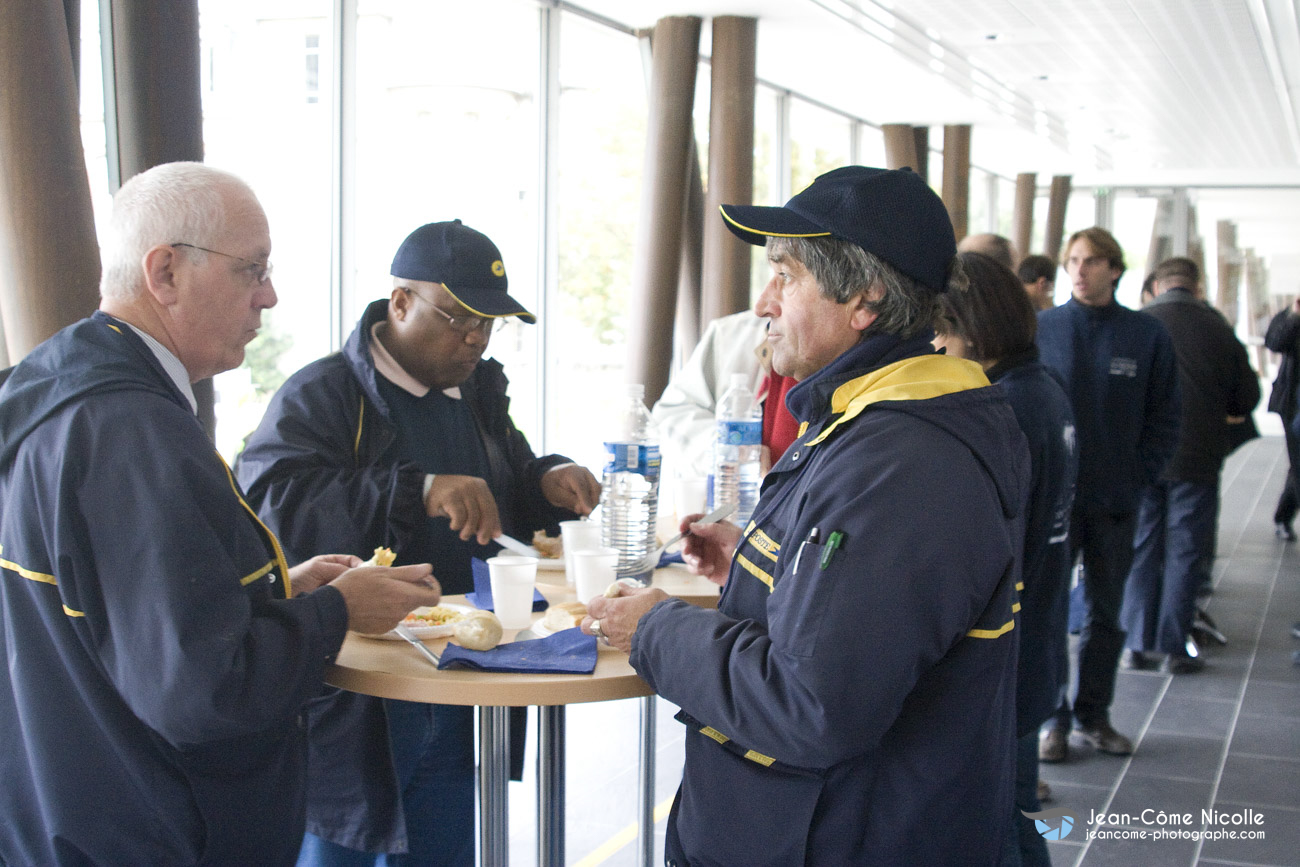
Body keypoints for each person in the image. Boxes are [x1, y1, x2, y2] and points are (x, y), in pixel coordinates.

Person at [584, 166, 1031, 865]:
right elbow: (864, 606)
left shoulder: (904, 460)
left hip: (842, 835)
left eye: (784, 274)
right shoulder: (879, 422)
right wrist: (763, 563)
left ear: (864, 298)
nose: (763, 301)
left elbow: (812, 704)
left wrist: (657, 627)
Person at [0, 161, 440, 867]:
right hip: (145, 829)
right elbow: (202, 688)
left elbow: (116, 614)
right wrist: (337, 611)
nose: (269, 296)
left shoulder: (54, 390)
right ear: (165, 272)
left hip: (59, 810)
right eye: (252, 270)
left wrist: (272, 591)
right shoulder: (135, 433)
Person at [236, 219, 600, 867]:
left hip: (459, 676)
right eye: (458, 316)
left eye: (489, 323)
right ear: (400, 303)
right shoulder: (325, 393)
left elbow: (506, 481)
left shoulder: (476, 394)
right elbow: (271, 505)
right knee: (341, 851)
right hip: (361, 698)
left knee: (444, 850)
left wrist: (548, 476)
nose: (475, 338)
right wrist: (420, 489)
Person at [935, 251, 1077, 867]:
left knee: (999, 825)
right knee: (1014, 813)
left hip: (1009, 653)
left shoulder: (1005, 411)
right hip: (1038, 640)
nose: (936, 345)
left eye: (943, 329)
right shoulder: (1044, 391)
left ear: (976, 326)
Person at [1036, 227, 1181, 763]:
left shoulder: (1146, 336)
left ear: (1115, 269)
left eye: (1092, 261)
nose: (1079, 270)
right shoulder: (1042, 329)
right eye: (1072, 260)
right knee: (1049, 612)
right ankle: (1053, 719)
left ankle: (1094, 715)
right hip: (1054, 500)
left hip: (1116, 501)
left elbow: (1166, 415)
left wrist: (1140, 473)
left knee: (1106, 613)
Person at [1120, 258, 1259, 675]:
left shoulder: (1138, 324)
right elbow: (1246, 398)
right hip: (1197, 457)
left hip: (1145, 456)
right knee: (1185, 551)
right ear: (1197, 287)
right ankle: (1175, 647)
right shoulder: (1218, 328)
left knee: (1142, 546)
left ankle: (1136, 644)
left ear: (1158, 285)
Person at [652, 310, 800, 480]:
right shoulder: (731, 334)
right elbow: (670, 417)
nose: (764, 302)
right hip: (738, 497)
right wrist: (726, 450)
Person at [1264, 296, 1300, 540]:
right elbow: (1275, 342)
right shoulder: (1289, 316)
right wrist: (1295, 315)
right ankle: (1283, 518)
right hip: (1295, 404)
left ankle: (1283, 515)